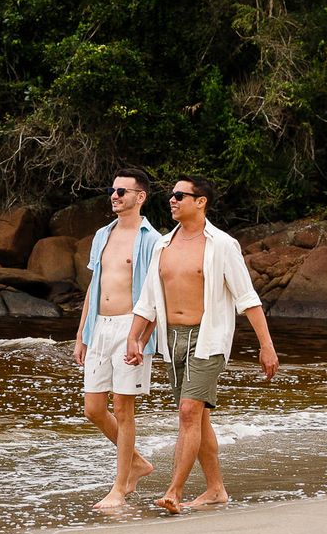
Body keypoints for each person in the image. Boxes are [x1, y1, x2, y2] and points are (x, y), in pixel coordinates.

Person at [125, 176, 279, 514]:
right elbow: (148, 300)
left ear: (201, 201)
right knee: (199, 418)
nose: (173, 201)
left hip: (207, 338)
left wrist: (265, 345)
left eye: (180, 195)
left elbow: (247, 298)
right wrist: (134, 338)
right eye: (171, 196)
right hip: (172, 339)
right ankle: (215, 489)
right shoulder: (162, 245)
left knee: (188, 412)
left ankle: (174, 491)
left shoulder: (222, 245)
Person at [73, 168, 162, 511]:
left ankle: (119, 489)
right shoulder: (102, 235)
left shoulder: (152, 240)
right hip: (99, 328)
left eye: (122, 191)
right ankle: (137, 462)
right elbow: (93, 288)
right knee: (93, 408)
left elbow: (156, 296)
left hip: (131, 328)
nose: (115, 195)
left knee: (124, 410)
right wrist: (82, 333)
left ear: (140, 197)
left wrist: (140, 338)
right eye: (113, 190)